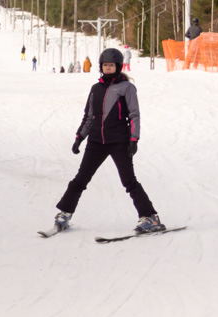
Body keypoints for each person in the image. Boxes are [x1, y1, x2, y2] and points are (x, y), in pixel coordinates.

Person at [49, 49, 165, 234]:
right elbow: (89, 116)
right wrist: (80, 137)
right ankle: (64, 214)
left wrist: (134, 139)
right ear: (101, 67)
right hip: (96, 141)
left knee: (129, 181)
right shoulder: (96, 89)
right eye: (105, 65)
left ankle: (150, 217)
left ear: (118, 67)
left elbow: (134, 115)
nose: (108, 68)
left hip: (119, 141)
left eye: (111, 65)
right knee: (80, 179)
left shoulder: (127, 88)